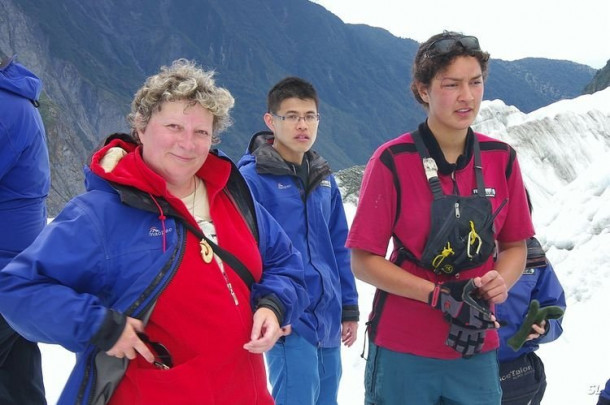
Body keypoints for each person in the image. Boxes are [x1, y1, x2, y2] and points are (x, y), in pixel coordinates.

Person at [0, 59, 309, 405]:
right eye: (174, 126)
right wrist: (98, 325)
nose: (187, 144)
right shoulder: (102, 214)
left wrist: (274, 304)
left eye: (201, 132)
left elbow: (285, 262)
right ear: (141, 127)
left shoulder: (233, 196)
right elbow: (16, 289)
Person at [346, 31, 535, 405]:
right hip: (404, 349)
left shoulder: (502, 158)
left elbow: (515, 245)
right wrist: (436, 296)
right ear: (423, 90)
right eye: (451, 84)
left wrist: (503, 279)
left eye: (475, 82)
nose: (467, 96)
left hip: (475, 346)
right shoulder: (392, 161)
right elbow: (363, 261)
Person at [237, 76, 359, 405]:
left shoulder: (323, 178)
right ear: (270, 121)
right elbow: (243, 252)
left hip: (328, 317)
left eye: (309, 116)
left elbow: (339, 247)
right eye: (291, 116)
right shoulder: (252, 179)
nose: (301, 125)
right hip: (289, 317)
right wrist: (270, 308)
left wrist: (348, 307)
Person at [0, 55, 50, 405]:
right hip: (18, 265)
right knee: (18, 376)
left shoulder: (5, 109)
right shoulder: (14, 101)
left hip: (4, 266)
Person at [496, 192, 566, 405]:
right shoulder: (458, 256)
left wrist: (543, 327)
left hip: (515, 374)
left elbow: (554, 307)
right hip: (459, 372)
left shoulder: (535, 259)